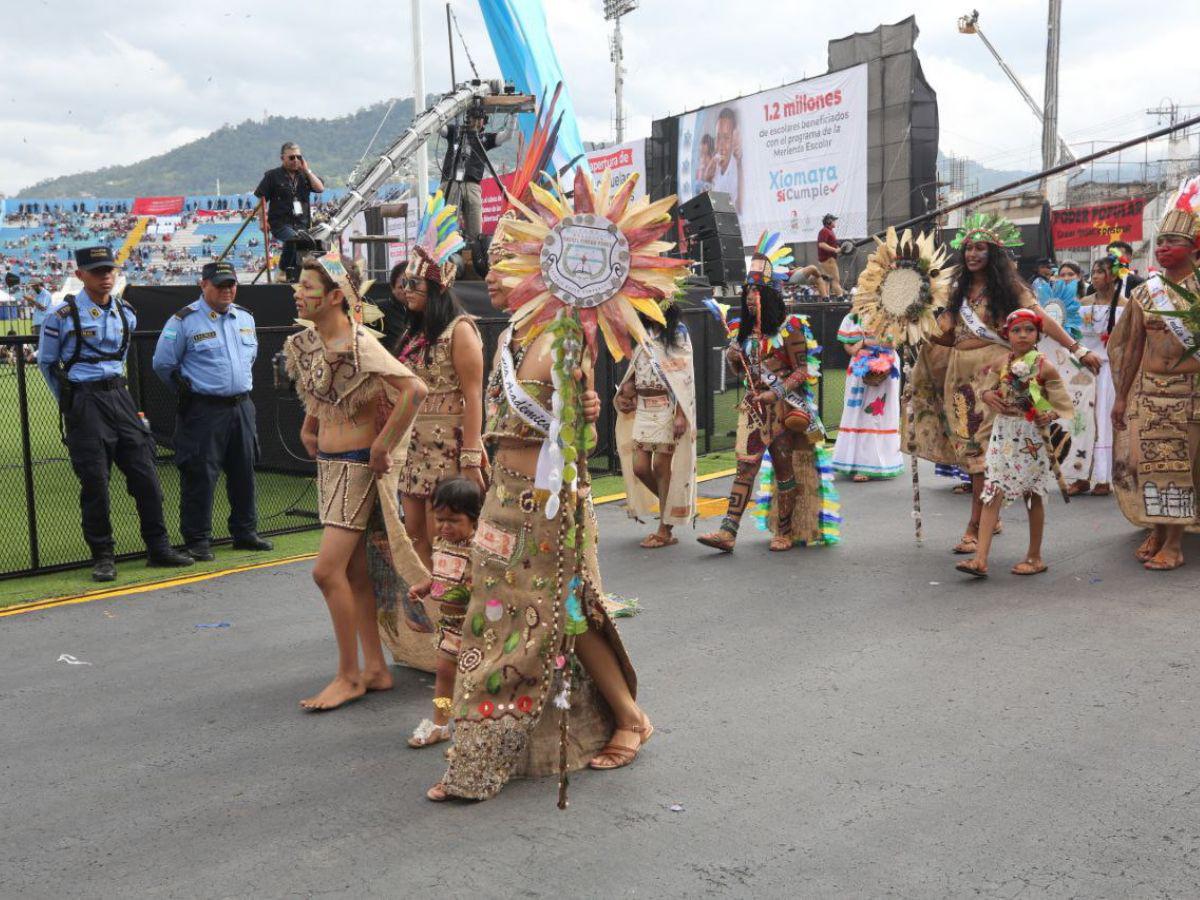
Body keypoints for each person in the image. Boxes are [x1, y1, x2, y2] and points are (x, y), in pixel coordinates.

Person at [282, 252, 428, 710]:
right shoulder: (311, 342)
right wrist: (310, 426)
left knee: (326, 572)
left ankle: (349, 676)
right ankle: (375, 668)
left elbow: (414, 389)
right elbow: (324, 391)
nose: (298, 293)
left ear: (334, 297)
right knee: (353, 573)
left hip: (357, 465)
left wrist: (384, 444)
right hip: (331, 463)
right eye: (299, 285)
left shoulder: (360, 342)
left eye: (308, 287)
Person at [916, 213, 1100, 555]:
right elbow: (944, 334)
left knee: (982, 452)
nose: (972, 254)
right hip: (960, 375)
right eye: (968, 248)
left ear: (993, 254)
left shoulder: (1010, 288)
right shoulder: (958, 290)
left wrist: (1076, 347)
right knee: (971, 449)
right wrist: (911, 321)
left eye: (980, 248)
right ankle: (990, 515)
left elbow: (1041, 320)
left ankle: (975, 527)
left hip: (993, 373)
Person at [36, 246, 194, 581]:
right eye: (97, 271)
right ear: (80, 275)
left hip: (120, 397)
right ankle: (103, 556)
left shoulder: (126, 312)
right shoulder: (60, 317)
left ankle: (158, 548)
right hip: (85, 402)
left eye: (110, 270)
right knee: (95, 482)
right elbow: (47, 363)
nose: (106, 276)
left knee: (146, 475)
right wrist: (70, 401)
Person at [698, 234, 840, 552]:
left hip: (780, 410)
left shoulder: (791, 328)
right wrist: (734, 361)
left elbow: (803, 370)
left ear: (770, 295)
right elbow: (744, 374)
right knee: (745, 466)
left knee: (784, 469)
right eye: (748, 291)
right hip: (753, 408)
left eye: (757, 292)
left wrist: (776, 394)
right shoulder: (744, 334)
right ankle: (728, 531)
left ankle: (785, 531)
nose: (751, 298)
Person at [151, 261, 273, 561]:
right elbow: (163, 364)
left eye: (231, 283)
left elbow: (251, 358)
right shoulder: (183, 321)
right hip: (204, 409)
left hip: (241, 406)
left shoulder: (245, 317)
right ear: (203, 285)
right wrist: (191, 391)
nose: (227, 289)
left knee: (243, 470)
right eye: (219, 284)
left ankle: (245, 532)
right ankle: (197, 540)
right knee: (199, 474)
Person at [1107, 178, 1200, 571]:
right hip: (1148, 391)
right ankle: (1159, 531)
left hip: (1190, 392)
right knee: (1150, 465)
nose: (1162, 249)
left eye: (1171, 243)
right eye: (1159, 242)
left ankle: (1175, 543)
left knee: (1179, 466)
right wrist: (1123, 394)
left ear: (1194, 248)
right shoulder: (1146, 294)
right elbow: (1129, 346)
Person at [394, 192, 485, 569]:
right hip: (414, 443)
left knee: (443, 532)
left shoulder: (459, 330)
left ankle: (452, 606)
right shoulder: (413, 335)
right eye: (406, 285)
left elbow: (473, 395)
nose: (406, 292)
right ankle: (427, 608)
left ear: (435, 289)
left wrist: (470, 457)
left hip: (449, 444)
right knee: (414, 531)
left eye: (415, 286)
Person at [955, 309, 1075, 578]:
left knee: (1032, 495)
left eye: (1029, 330)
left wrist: (1049, 413)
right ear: (1007, 334)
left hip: (1031, 437)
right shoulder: (1001, 363)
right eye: (1017, 330)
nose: (1022, 335)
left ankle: (1035, 556)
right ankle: (980, 559)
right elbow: (980, 385)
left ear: (1038, 334)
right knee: (992, 491)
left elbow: (1063, 404)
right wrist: (986, 394)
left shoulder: (1045, 366)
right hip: (1002, 435)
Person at [405, 475, 482, 749]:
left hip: (475, 628)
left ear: (474, 519)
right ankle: (440, 723)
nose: (444, 526)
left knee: (477, 679)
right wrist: (425, 587)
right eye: (440, 519)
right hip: (449, 627)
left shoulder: (478, 550)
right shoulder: (441, 544)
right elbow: (440, 574)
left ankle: (479, 724)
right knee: (444, 672)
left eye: (453, 520)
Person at [614, 298, 698, 548]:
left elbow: (685, 376)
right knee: (639, 467)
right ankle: (670, 506)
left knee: (662, 466)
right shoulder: (644, 333)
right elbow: (637, 369)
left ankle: (665, 528)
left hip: (666, 408)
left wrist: (681, 414)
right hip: (643, 408)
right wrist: (626, 391)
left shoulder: (678, 334)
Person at [1077, 252, 1130, 496]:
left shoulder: (1126, 306)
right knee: (1080, 420)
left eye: (1100, 271)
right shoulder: (1083, 303)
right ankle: (1079, 474)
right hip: (1084, 368)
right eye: (1094, 272)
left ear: (1113, 276)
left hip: (1110, 370)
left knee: (1104, 420)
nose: (1095, 276)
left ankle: (1102, 477)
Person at [832, 311, 903, 482]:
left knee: (876, 415)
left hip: (885, 365)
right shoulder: (852, 317)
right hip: (859, 368)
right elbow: (848, 346)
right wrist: (858, 352)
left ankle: (874, 464)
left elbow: (892, 343)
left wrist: (864, 342)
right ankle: (855, 463)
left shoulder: (890, 314)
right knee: (857, 414)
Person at [437, 109, 516, 246]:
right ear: (468, 119)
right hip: (452, 182)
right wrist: (441, 112)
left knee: (475, 227)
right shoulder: (455, 132)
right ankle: (447, 255)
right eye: (474, 118)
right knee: (448, 225)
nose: (477, 122)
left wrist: (513, 115)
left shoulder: (485, 138)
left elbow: (507, 135)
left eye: (480, 119)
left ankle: (475, 254)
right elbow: (440, 129)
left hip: (473, 185)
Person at [254, 142, 324, 282]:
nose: (296, 161)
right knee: (294, 239)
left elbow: (320, 188)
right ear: (282, 158)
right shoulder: (272, 176)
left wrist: (307, 170)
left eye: (299, 157)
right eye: (291, 158)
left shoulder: (305, 176)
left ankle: (292, 275)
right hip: (280, 223)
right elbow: (261, 200)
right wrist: (262, 221)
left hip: (302, 223)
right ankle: (282, 270)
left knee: (306, 244)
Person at [710, 107, 743, 209]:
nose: (721, 144)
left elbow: (740, 207)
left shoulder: (737, 170)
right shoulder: (715, 165)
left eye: (726, 138)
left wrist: (739, 164)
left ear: (734, 137)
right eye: (718, 137)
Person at [816, 213, 843, 297]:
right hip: (828, 260)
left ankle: (826, 298)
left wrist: (837, 248)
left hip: (826, 260)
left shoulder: (828, 231)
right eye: (834, 220)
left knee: (827, 280)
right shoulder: (825, 231)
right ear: (829, 221)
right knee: (835, 280)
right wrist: (835, 250)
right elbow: (822, 244)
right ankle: (840, 297)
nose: (835, 222)